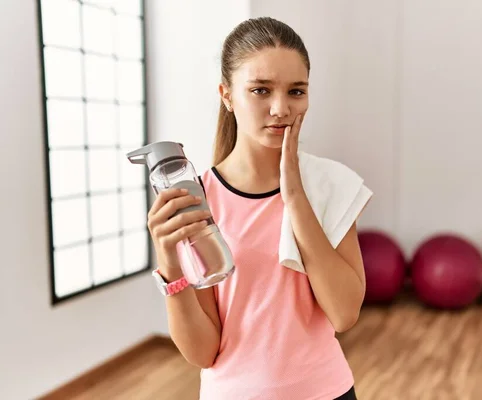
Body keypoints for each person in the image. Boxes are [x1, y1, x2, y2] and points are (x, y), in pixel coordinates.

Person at [146, 17, 368, 400]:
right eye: (261, 90)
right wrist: (169, 265)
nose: (280, 108)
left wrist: (295, 197)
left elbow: (345, 313)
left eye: (296, 91)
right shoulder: (199, 201)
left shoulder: (329, 186)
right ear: (227, 95)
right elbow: (203, 352)